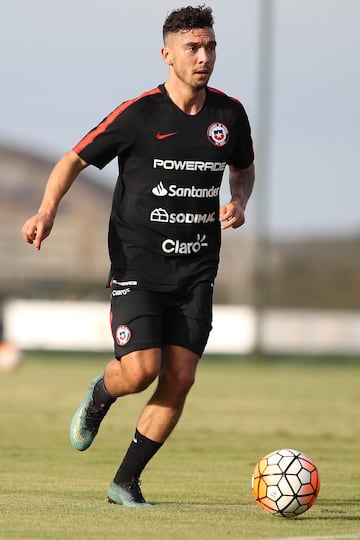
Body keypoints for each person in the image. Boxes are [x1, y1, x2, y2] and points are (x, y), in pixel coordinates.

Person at [22, 5, 255, 507]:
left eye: (211, 46)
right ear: (167, 54)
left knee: (181, 377)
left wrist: (239, 200)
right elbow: (73, 158)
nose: (204, 56)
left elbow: (243, 167)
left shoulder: (229, 114)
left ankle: (125, 482)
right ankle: (102, 393)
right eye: (193, 47)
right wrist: (46, 211)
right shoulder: (140, 114)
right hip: (138, 268)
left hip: (197, 270)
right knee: (141, 369)